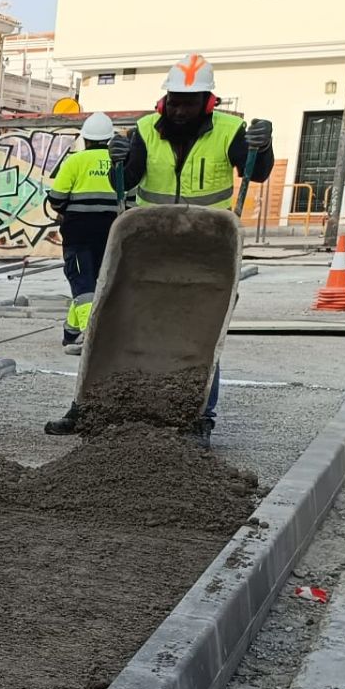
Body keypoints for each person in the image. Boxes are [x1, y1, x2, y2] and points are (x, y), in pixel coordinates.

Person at [44, 54, 274, 436]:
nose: (180, 110)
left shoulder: (231, 130)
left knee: (203, 333)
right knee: (116, 323)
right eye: (175, 101)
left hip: (207, 249)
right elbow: (129, 179)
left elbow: (257, 172)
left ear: (208, 102)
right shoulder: (146, 129)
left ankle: (199, 418)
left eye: (189, 102)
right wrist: (119, 161)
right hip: (150, 246)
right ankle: (89, 406)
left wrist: (261, 147)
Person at [45, 112, 123, 353]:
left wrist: (67, 209)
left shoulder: (75, 162)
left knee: (82, 282)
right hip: (112, 233)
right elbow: (129, 198)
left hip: (78, 233)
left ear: (85, 139)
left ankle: (91, 336)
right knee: (94, 283)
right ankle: (72, 331)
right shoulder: (119, 163)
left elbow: (56, 199)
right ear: (109, 139)